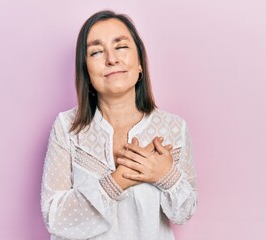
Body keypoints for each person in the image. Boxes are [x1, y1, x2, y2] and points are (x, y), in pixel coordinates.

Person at [41, 10, 198, 240]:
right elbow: (54, 218)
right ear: (86, 71)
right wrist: (117, 181)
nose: (111, 59)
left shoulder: (173, 128)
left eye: (121, 46)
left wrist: (166, 174)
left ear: (140, 62)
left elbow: (183, 213)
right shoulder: (67, 127)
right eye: (96, 51)